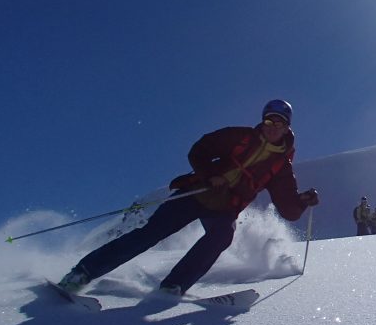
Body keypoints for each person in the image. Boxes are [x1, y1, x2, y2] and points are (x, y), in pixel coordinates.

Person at [57, 100, 319, 296]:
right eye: (269, 121)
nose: (273, 128)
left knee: (221, 236)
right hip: (198, 192)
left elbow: (288, 209)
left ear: (287, 128)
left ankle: (173, 286)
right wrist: (209, 176)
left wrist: (302, 201)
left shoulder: (281, 167)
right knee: (150, 233)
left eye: (279, 123)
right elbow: (200, 150)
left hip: (225, 206)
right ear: (262, 122)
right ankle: (83, 273)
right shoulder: (238, 136)